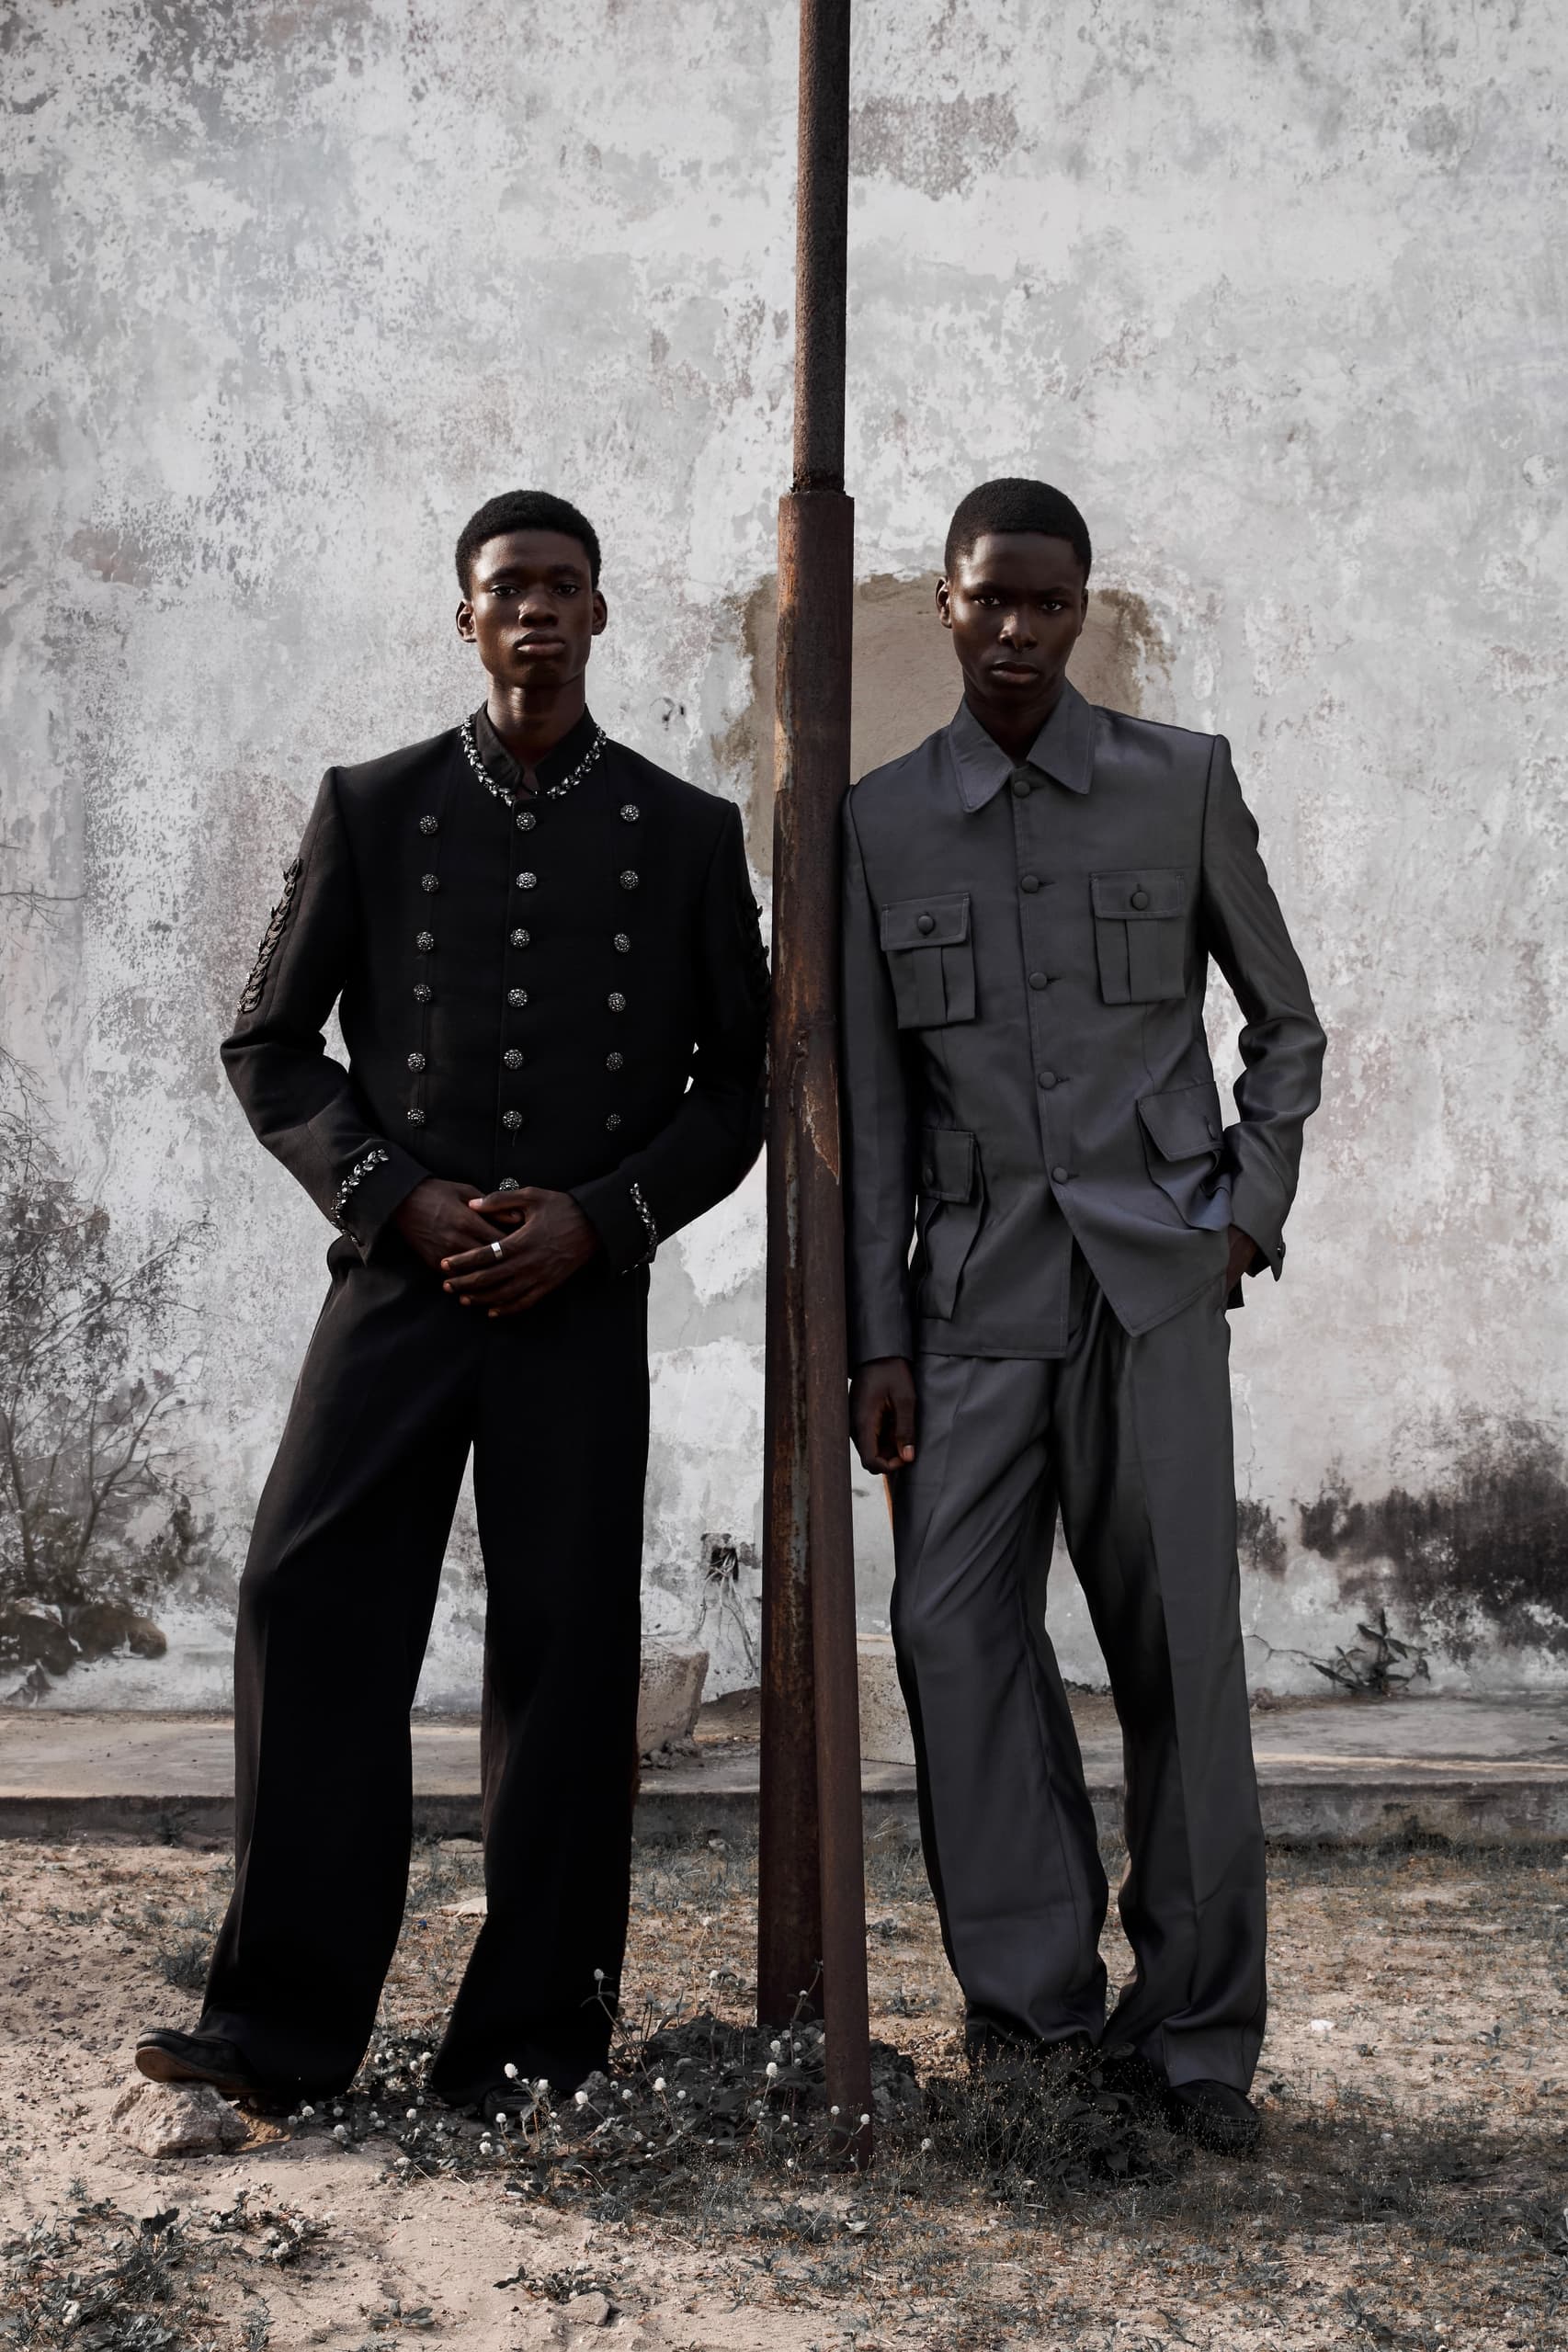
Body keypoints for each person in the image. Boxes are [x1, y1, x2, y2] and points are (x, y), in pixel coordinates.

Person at [136, 490, 768, 2112]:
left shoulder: (688, 834)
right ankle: (274, 2036)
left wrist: (603, 1219)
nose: (538, 614)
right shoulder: (375, 806)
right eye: (509, 590)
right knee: (302, 1599)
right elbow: (270, 1047)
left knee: (565, 1664)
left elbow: (741, 1088)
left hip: (574, 1290)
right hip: (399, 1280)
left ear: (603, 615)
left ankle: (528, 2051)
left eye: (565, 588)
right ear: (465, 618)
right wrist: (398, 1199)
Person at [841, 477, 1324, 2153]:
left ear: (1084, 607)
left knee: (1182, 1654)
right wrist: (875, 1342)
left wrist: (1241, 1217)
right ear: (948, 610)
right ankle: (1035, 2019)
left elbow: (1284, 1025)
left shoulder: (1179, 783)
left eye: (1048, 604)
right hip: (970, 1302)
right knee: (950, 1641)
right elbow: (875, 1112)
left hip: (1153, 1290)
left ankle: (1195, 2042)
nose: (1018, 631)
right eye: (989, 602)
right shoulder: (876, 822)